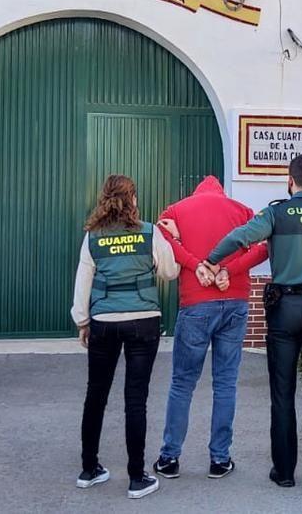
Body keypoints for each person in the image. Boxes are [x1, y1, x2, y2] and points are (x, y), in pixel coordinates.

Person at [202, 154, 302, 497]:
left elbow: (241, 237)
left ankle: (283, 472)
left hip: (285, 309)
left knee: (282, 393)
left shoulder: (277, 213)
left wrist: (210, 260)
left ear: (290, 180)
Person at [151, 176, 269, 480]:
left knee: (182, 384)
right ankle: (220, 459)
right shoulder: (242, 210)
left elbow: (164, 242)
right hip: (235, 302)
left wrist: (196, 265)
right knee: (225, 383)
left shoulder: (176, 211)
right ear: (222, 193)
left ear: (196, 193)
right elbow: (262, 249)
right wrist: (228, 270)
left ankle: (169, 458)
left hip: (195, 304)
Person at [70, 174, 179, 500]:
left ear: (105, 200)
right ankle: (136, 477)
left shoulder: (93, 236)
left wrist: (82, 321)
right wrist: (171, 238)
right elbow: (170, 272)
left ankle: (89, 470)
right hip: (143, 323)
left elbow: (82, 284)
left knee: (96, 395)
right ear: (132, 200)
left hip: (103, 322)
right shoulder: (149, 232)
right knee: (136, 400)